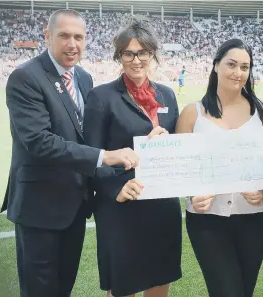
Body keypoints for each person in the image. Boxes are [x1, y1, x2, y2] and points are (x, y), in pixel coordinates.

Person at [1, 9, 138, 297]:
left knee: (63, 287)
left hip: (74, 206)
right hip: (40, 208)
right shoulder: (25, 77)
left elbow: (85, 135)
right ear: (47, 35)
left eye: (79, 37)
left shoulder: (84, 78)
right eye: (64, 35)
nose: (72, 43)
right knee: (40, 291)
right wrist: (106, 156)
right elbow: (39, 141)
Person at [83, 19, 182, 297]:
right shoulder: (101, 97)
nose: (136, 60)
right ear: (119, 56)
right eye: (128, 53)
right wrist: (116, 188)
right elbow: (92, 155)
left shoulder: (167, 95)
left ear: (153, 55)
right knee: (123, 285)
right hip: (121, 206)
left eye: (143, 53)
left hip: (162, 203)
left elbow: (178, 149)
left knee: (160, 279)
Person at [176, 38, 263, 297]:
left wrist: (262, 189)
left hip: (256, 217)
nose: (238, 73)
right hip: (207, 221)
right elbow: (181, 169)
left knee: (244, 290)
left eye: (245, 67)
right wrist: (191, 196)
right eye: (231, 64)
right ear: (216, 65)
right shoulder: (192, 113)